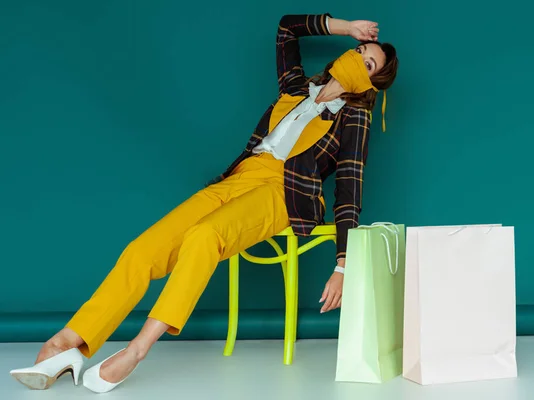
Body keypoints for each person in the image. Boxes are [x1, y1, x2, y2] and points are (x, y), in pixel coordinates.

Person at [9, 13, 399, 393]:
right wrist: (346, 27)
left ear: (371, 84)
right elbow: (286, 29)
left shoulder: (355, 119)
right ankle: (69, 343)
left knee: (204, 236)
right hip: (240, 177)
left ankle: (138, 348)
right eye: (359, 49)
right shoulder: (296, 88)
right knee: (143, 250)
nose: (357, 58)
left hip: (284, 194)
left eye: (367, 64)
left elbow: (349, 186)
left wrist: (343, 265)